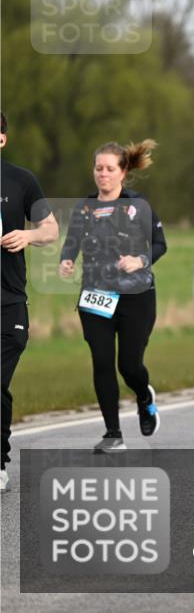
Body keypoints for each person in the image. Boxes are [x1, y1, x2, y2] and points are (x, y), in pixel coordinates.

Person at [59, 140, 166, 453]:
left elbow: (160, 244)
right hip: (96, 295)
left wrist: (139, 260)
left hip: (136, 296)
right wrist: (66, 260)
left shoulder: (138, 205)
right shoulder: (85, 207)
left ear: (123, 172)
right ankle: (112, 433)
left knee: (129, 366)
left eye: (109, 169)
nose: (102, 174)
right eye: (98, 168)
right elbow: (72, 241)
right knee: (102, 361)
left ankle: (144, 397)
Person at [1, 112, 59, 492]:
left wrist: (27, 235)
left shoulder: (21, 180)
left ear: (2, 139)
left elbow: (51, 229)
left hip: (8, 301)